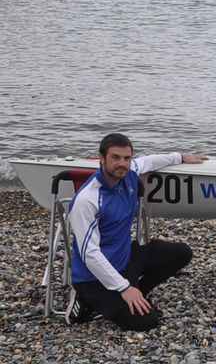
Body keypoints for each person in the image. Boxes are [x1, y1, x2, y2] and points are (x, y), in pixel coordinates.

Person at [66, 133, 208, 330]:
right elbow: (89, 254)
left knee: (181, 252)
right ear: (101, 158)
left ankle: (135, 293)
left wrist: (181, 157)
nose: (122, 163)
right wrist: (123, 288)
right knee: (146, 322)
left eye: (126, 158)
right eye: (115, 158)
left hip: (126, 260)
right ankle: (84, 299)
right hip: (94, 276)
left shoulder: (128, 173)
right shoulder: (87, 200)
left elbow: (149, 161)